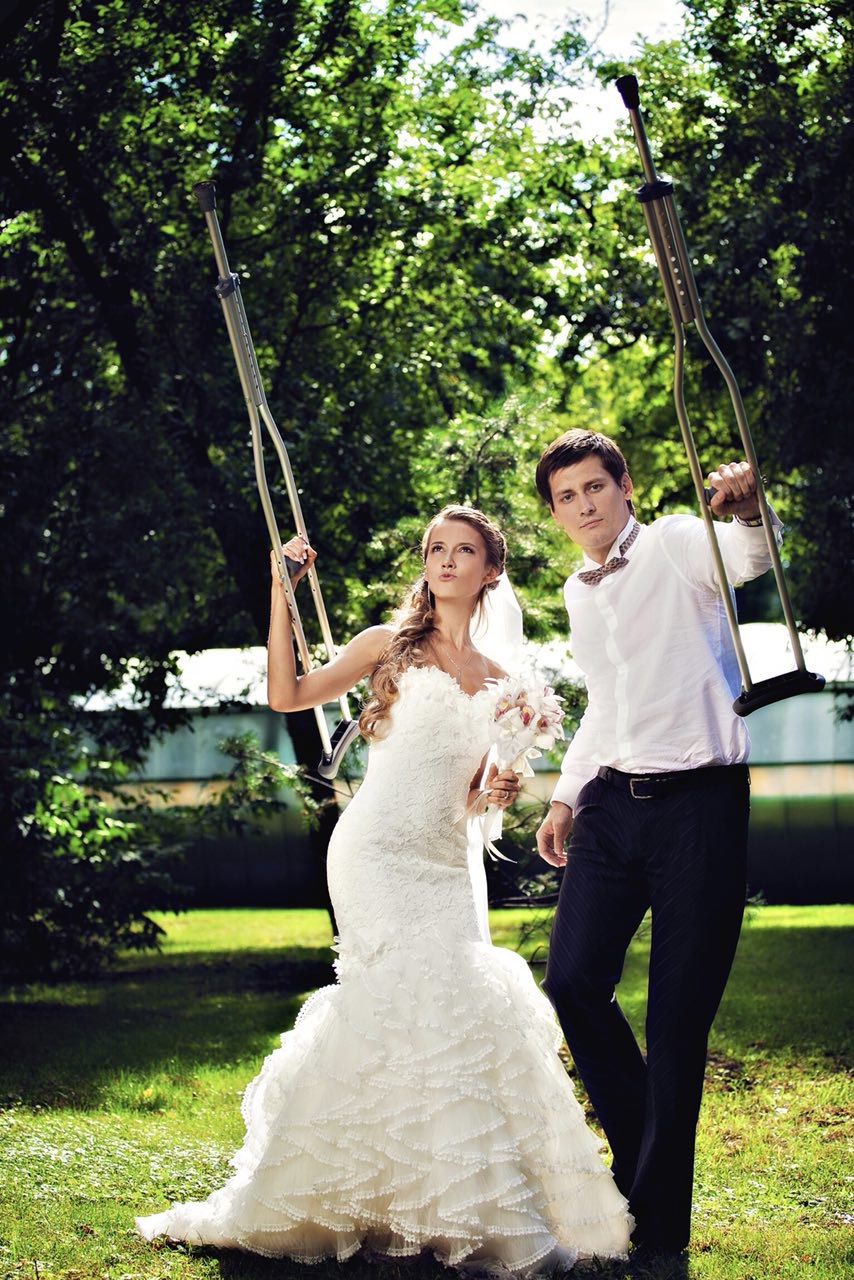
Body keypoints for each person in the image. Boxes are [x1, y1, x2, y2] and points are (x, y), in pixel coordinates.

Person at [136, 504, 633, 1273]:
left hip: (446, 862)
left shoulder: (508, 685)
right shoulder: (386, 646)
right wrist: (280, 594)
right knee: (393, 1000)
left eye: (462, 549)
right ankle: (341, 1195)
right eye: (435, 548)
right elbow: (287, 694)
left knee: (456, 1011)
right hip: (373, 851)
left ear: (491, 570)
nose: (445, 560)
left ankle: (448, 1203)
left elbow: (475, 795)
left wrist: (500, 789)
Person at [534, 429, 781, 1258]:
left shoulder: (677, 542)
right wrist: (566, 797)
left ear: (625, 485)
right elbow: (605, 703)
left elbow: (747, 559)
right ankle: (647, 1157)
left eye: (595, 487)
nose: (584, 505)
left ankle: (656, 1228)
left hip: (700, 807)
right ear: (556, 513)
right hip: (612, 803)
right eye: (567, 496)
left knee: (677, 1022)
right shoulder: (577, 592)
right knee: (572, 981)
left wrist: (748, 510)